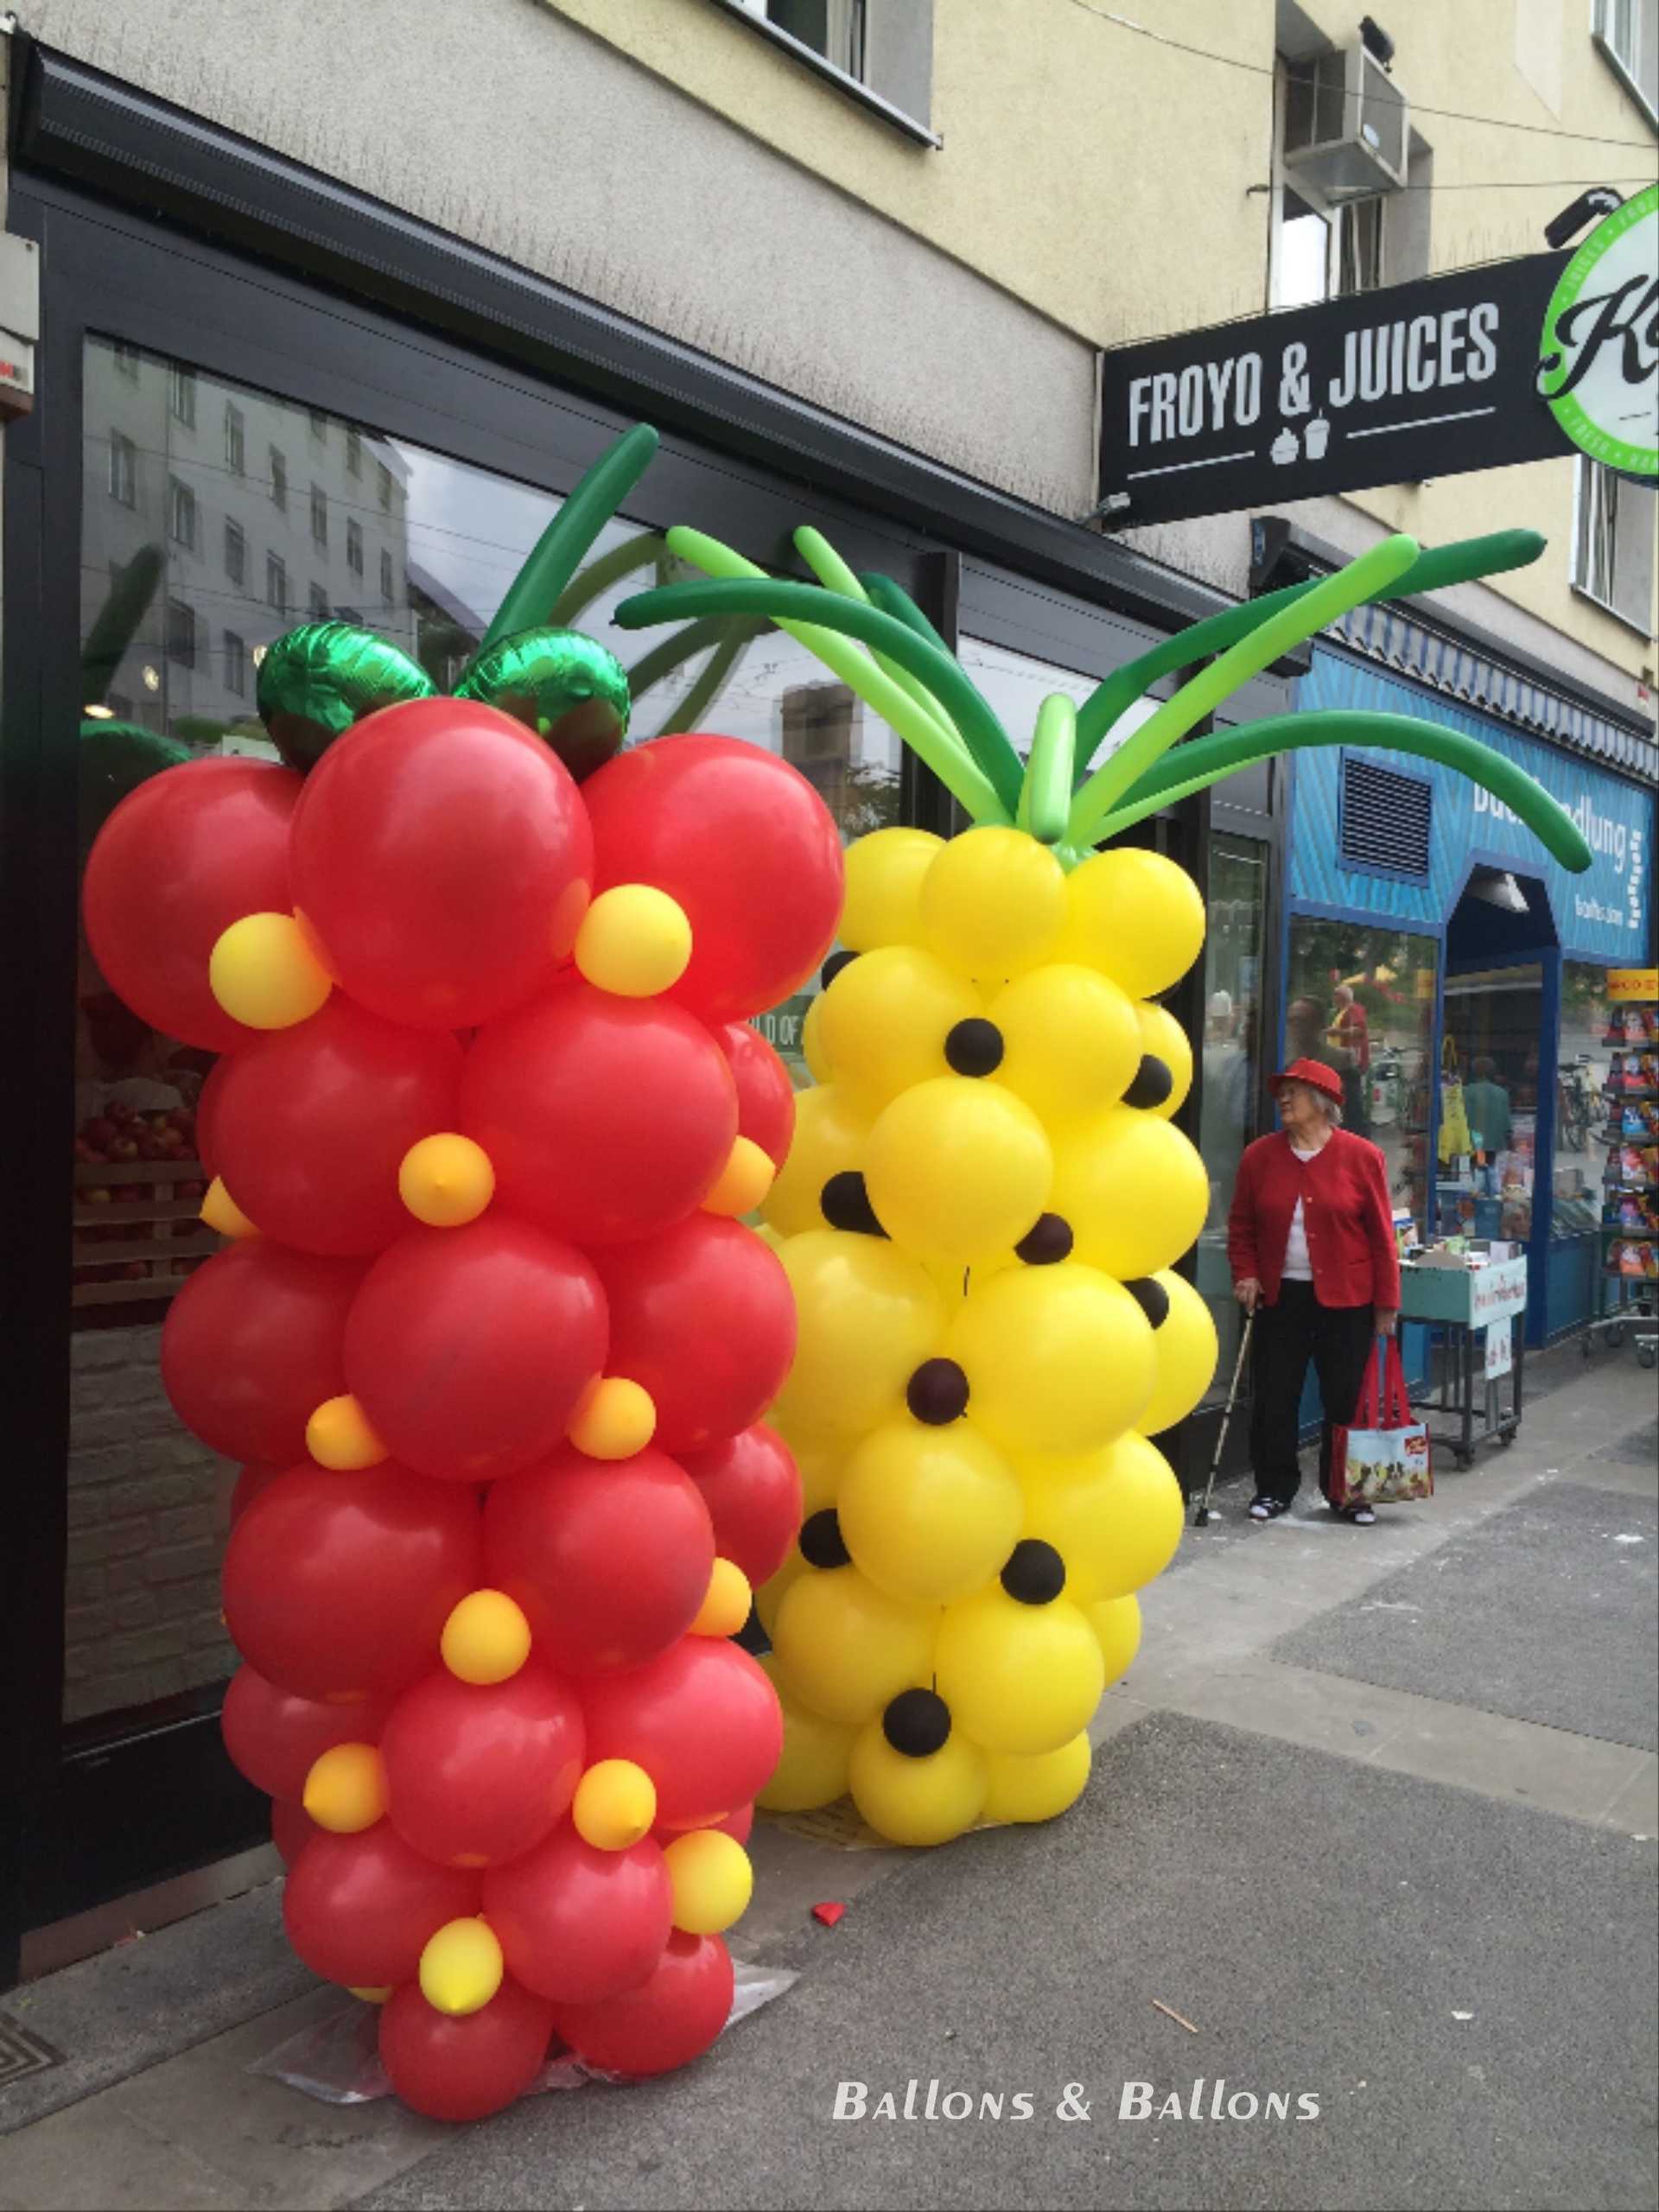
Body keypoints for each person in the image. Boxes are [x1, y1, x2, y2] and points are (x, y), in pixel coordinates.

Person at [1227, 1058, 1401, 1527]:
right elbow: (1241, 1226)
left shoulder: (1362, 1156)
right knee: (1275, 1398)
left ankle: (1348, 1493)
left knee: (1347, 1400)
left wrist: (1387, 1303)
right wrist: (1244, 1272)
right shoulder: (1259, 1157)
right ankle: (1274, 1488)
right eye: (1281, 1092)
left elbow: (1383, 1236)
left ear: (1322, 1103)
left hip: (1348, 1301)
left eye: (1294, 1093)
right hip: (1280, 1299)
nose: (1283, 1099)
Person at [1462, 1054, 1512, 1157]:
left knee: (1474, 1171)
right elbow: (1507, 1127)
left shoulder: (1465, 1092)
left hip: (1471, 1146)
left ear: (1473, 1072)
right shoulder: (1502, 1093)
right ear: (1492, 1072)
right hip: (1495, 1147)